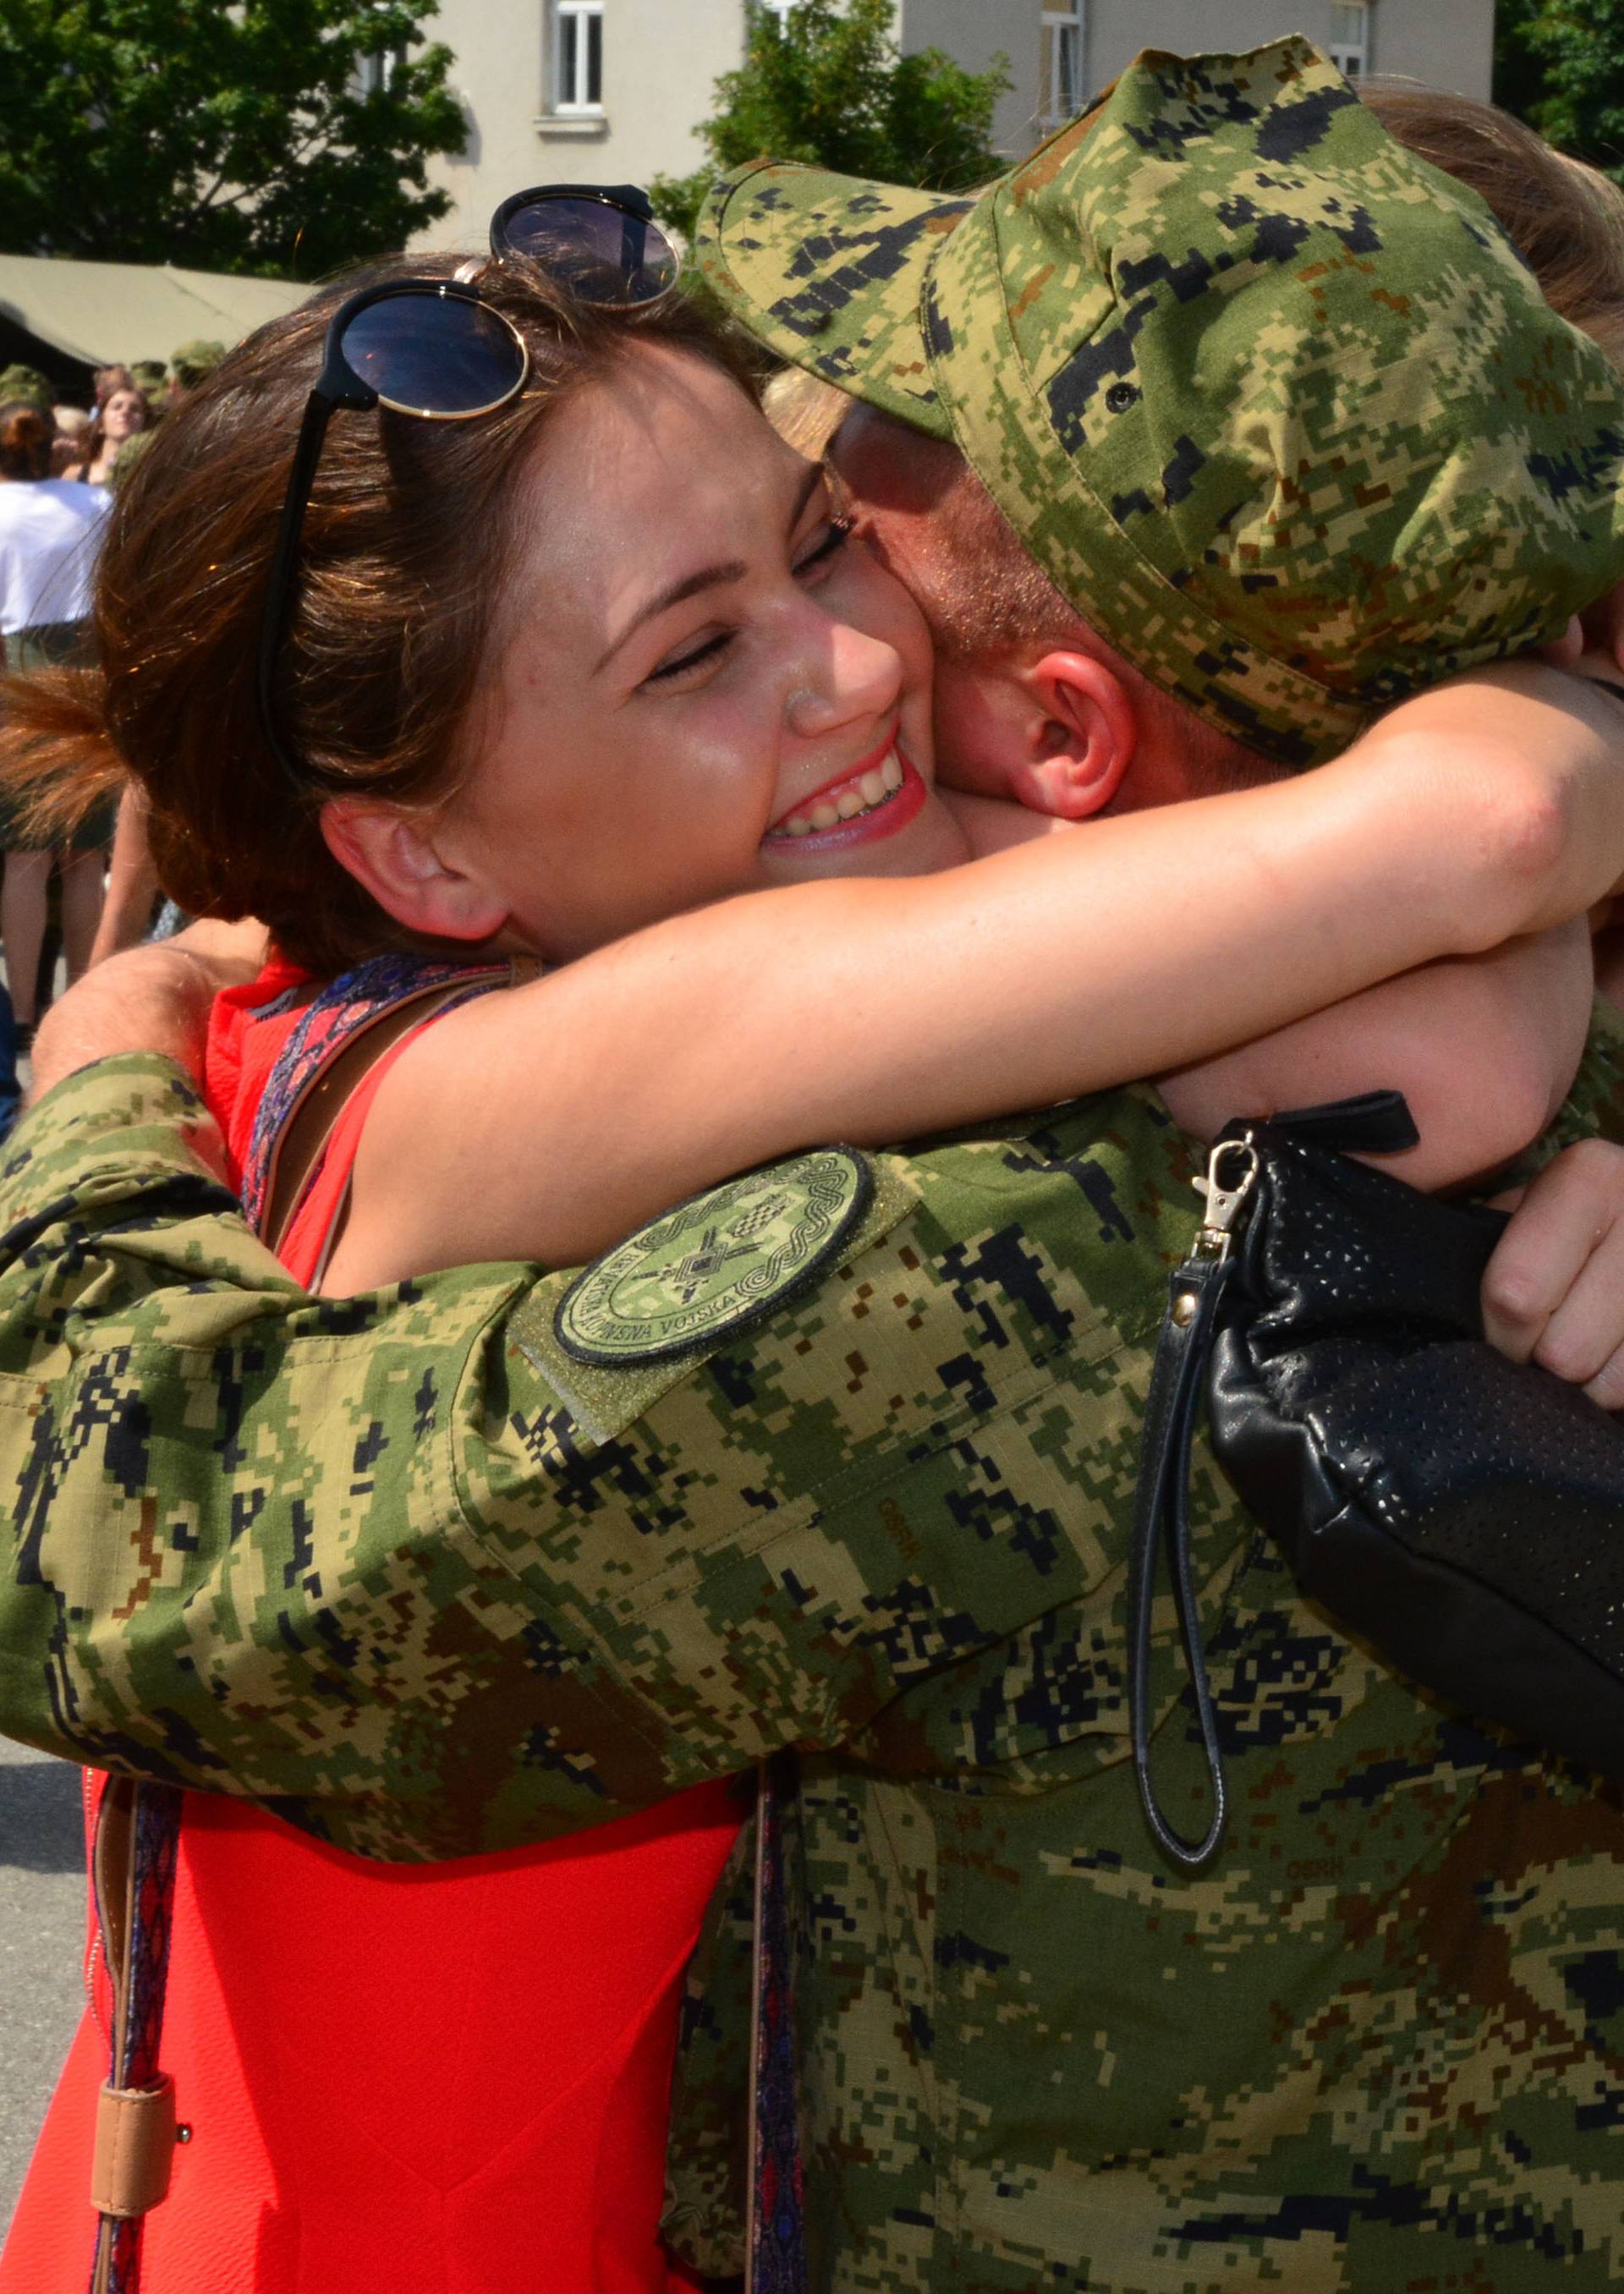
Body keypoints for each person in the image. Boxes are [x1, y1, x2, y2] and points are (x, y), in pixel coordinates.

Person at [7, 42, 1624, 2292]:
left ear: (1067, 728)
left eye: (835, 533)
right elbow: (1447, 927)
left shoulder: (957, 1223)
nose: (855, 658)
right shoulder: (566, 1098)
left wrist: (100, 1063)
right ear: (426, 853)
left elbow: (132, 1543)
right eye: (709, 639)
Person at [0, 399, 111, 1073]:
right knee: (85, 860)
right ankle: (81, 999)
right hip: (85, 671)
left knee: (24, 857)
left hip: (17, 672)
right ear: (56, 448)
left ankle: (20, 1017)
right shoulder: (95, 503)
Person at [63, 381, 149, 491]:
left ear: (144, 425)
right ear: (101, 425)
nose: (125, 412)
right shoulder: (73, 475)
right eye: (117, 407)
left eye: (135, 409)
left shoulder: (146, 479)